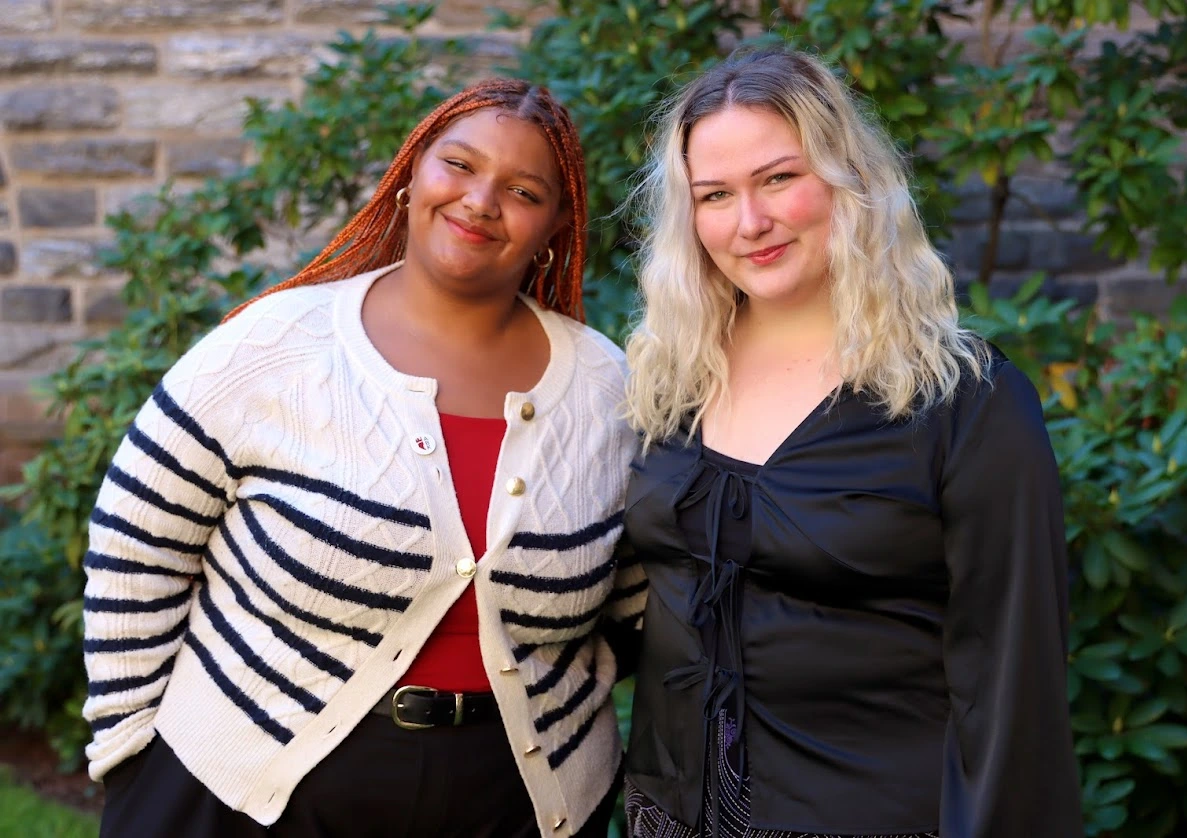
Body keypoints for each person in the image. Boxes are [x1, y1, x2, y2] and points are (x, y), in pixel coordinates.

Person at [82, 78, 645, 838]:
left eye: (521, 189)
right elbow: (135, 547)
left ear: (555, 223)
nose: (480, 200)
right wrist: (127, 750)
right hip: (245, 795)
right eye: (459, 165)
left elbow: (640, 591)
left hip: (514, 807)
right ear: (412, 173)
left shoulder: (607, 390)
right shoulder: (273, 347)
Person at [619, 48, 1083, 838]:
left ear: (850, 180)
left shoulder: (962, 399)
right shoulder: (669, 383)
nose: (749, 222)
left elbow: (1012, 682)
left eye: (779, 179)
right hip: (667, 817)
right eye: (715, 195)